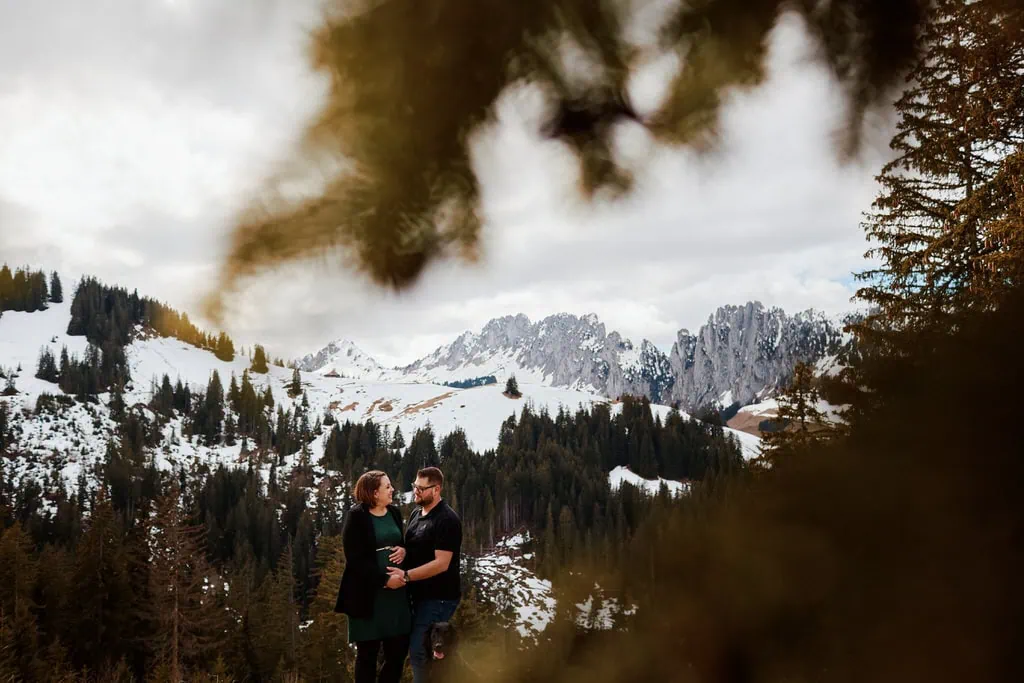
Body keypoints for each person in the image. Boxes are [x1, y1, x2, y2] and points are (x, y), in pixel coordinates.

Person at [387, 466, 463, 683]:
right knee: (421, 651)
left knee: (420, 650)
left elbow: (441, 563)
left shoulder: (447, 520)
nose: (415, 492)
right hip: (417, 595)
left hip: (439, 597)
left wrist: (406, 576)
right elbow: (416, 546)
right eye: (414, 486)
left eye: (421, 488)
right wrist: (404, 550)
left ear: (436, 489)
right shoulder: (416, 513)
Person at [335, 470, 411, 683]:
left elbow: (400, 541)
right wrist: (384, 580)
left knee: (396, 654)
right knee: (367, 655)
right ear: (374, 493)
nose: (392, 489)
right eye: (387, 486)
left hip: (396, 597)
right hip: (367, 595)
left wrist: (403, 550)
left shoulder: (394, 512)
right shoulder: (357, 516)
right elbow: (355, 559)